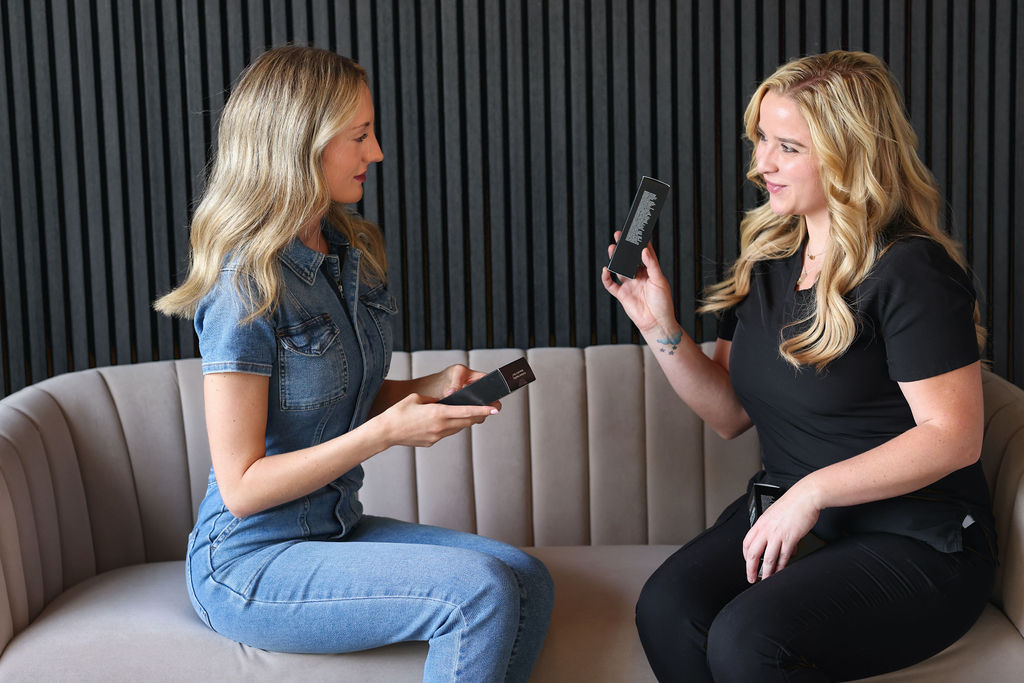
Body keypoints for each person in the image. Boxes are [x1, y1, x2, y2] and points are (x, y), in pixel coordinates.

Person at [155, 45, 553, 683]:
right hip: (250, 561)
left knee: (527, 579)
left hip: (332, 528)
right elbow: (242, 486)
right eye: (360, 136)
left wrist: (425, 391)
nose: (377, 153)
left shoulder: (344, 251)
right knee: (481, 591)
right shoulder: (245, 286)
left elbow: (333, 399)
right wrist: (385, 434)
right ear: (301, 144)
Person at [603, 50, 996, 682]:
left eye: (787, 147)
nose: (761, 166)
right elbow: (730, 414)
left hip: (919, 538)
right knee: (668, 608)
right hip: (801, 515)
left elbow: (954, 436)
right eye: (761, 139)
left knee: (748, 640)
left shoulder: (910, 271)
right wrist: (659, 326)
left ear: (849, 155)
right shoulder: (769, 263)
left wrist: (810, 492)